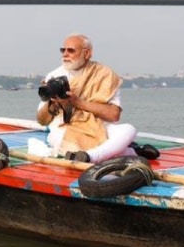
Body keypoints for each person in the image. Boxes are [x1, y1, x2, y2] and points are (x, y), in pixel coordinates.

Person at [35, 33, 137, 164]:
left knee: (128, 129)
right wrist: (53, 104)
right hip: (67, 126)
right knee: (63, 142)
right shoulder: (54, 76)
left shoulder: (104, 74)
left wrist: (78, 103)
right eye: (63, 50)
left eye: (71, 50)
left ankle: (90, 156)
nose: (65, 54)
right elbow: (42, 121)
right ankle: (129, 152)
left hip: (98, 125)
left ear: (87, 53)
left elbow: (114, 115)